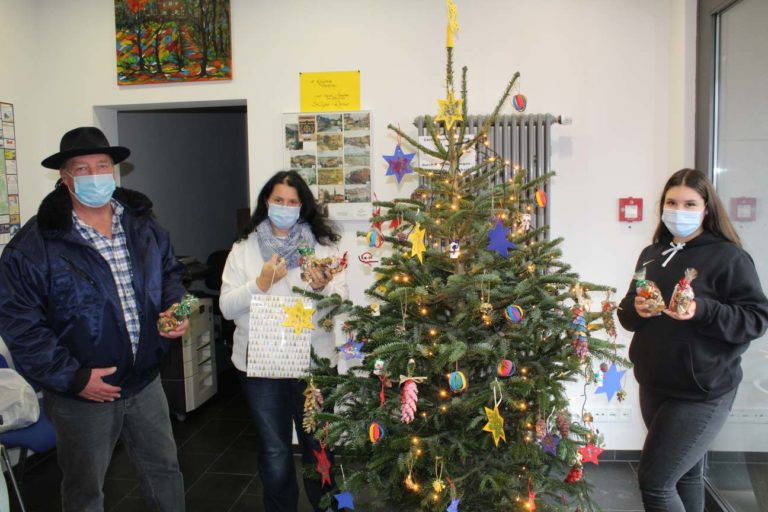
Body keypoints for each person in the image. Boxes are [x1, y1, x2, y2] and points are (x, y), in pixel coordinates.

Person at [0, 126, 188, 512]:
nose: (95, 176)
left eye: (102, 166)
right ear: (64, 179)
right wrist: (74, 377)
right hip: (83, 393)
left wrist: (173, 308)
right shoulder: (35, 245)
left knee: (165, 472)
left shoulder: (142, 224)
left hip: (145, 380)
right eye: (82, 169)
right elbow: (21, 323)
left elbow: (170, 274)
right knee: (86, 490)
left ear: (115, 171)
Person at [617, 168, 768, 512]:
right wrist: (636, 309)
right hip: (655, 383)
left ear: (706, 208)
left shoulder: (729, 257)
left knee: (655, 483)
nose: (678, 210)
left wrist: (702, 310)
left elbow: (756, 318)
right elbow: (626, 315)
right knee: (684, 476)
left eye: (689, 203)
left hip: (703, 390)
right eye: (672, 202)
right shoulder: (652, 254)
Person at [219, 170, 348, 512]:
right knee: (274, 450)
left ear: (302, 207)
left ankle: (327, 507)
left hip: (314, 365)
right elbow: (226, 307)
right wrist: (259, 284)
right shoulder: (244, 249)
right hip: (260, 368)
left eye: (293, 202)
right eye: (279, 200)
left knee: (318, 447)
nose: (285, 207)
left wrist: (324, 287)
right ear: (266, 202)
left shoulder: (322, 247)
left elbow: (343, 302)